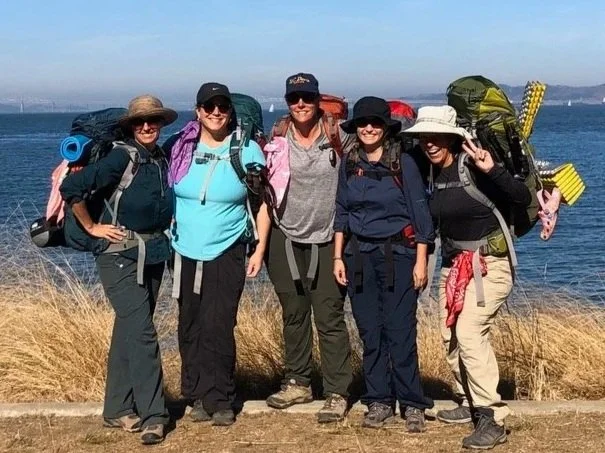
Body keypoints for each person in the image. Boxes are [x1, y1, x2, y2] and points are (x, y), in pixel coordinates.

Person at [403, 106, 532, 450]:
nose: (429, 143)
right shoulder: (429, 171)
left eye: (436, 137)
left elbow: (522, 196)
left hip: (490, 262)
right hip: (454, 263)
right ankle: (468, 401)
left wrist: (495, 170)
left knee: (470, 331)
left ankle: (492, 417)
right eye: (423, 137)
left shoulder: (472, 164)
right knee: (450, 334)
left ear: (452, 137)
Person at [60, 95, 177, 445]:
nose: (146, 127)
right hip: (118, 256)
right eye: (139, 122)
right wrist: (92, 226)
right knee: (142, 334)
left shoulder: (158, 158)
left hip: (153, 253)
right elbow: (72, 188)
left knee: (129, 330)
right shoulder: (121, 157)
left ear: (160, 123)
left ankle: (116, 409)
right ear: (129, 127)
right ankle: (155, 415)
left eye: (152, 121)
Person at [167, 82, 267, 426]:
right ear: (197, 111)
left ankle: (221, 397)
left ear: (229, 111)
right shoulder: (179, 147)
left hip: (228, 247)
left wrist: (260, 248)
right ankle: (195, 394)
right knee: (189, 324)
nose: (215, 112)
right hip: (182, 249)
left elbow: (263, 202)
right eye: (208, 107)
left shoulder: (246, 149)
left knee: (219, 323)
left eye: (222, 106)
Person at [332, 97, 434, 431]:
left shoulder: (403, 163)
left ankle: (412, 403)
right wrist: (338, 256)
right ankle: (378, 400)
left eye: (375, 123)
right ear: (356, 127)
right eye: (363, 123)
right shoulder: (349, 163)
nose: (369, 128)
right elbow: (342, 213)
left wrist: (421, 262)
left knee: (401, 331)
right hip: (358, 256)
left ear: (386, 127)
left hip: (399, 256)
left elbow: (421, 215)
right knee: (370, 331)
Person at [258, 73, 354, 423]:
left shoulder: (338, 137)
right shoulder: (279, 138)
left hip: (328, 240)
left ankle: (337, 390)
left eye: (307, 98)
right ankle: (297, 381)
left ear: (317, 100)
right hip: (285, 239)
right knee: (294, 314)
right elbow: (268, 197)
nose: (300, 104)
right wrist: (259, 248)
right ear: (287, 101)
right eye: (294, 98)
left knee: (329, 317)